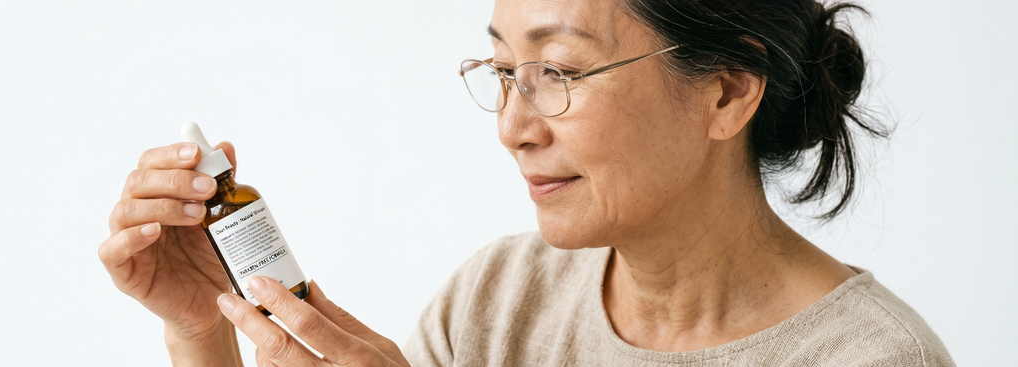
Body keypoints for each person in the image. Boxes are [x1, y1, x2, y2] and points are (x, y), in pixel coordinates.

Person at [99, 0, 955, 365]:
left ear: (727, 91)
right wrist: (202, 330)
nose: (513, 126)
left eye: (560, 71)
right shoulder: (500, 299)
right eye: (505, 71)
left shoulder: (870, 358)